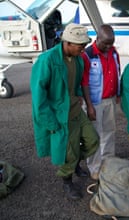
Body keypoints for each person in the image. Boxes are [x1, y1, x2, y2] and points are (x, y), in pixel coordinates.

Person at [30, 23, 99, 200]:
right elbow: (38, 96)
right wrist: (50, 123)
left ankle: (75, 162)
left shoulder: (77, 59)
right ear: (67, 42)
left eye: (84, 46)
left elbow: (75, 83)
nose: (84, 49)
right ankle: (67, 181)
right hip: (60, 116)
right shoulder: (48, 59)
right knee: (69, 152)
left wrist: (79, 97)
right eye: (80, 46)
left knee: (93, 140)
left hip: (76, 110)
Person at [81, 24, 121, 180]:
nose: (109, 46)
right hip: (95, 102)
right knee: (94, 136)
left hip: (110, 100)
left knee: (109, 132)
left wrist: (117, 93)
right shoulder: (88, 55)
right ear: (97, 39)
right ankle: (95, 168)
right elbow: (84, 82)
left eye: (111, 43)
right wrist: (89, 105)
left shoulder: (113, 51)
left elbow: (116, 70)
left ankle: (109, 161)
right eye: (106, 43)